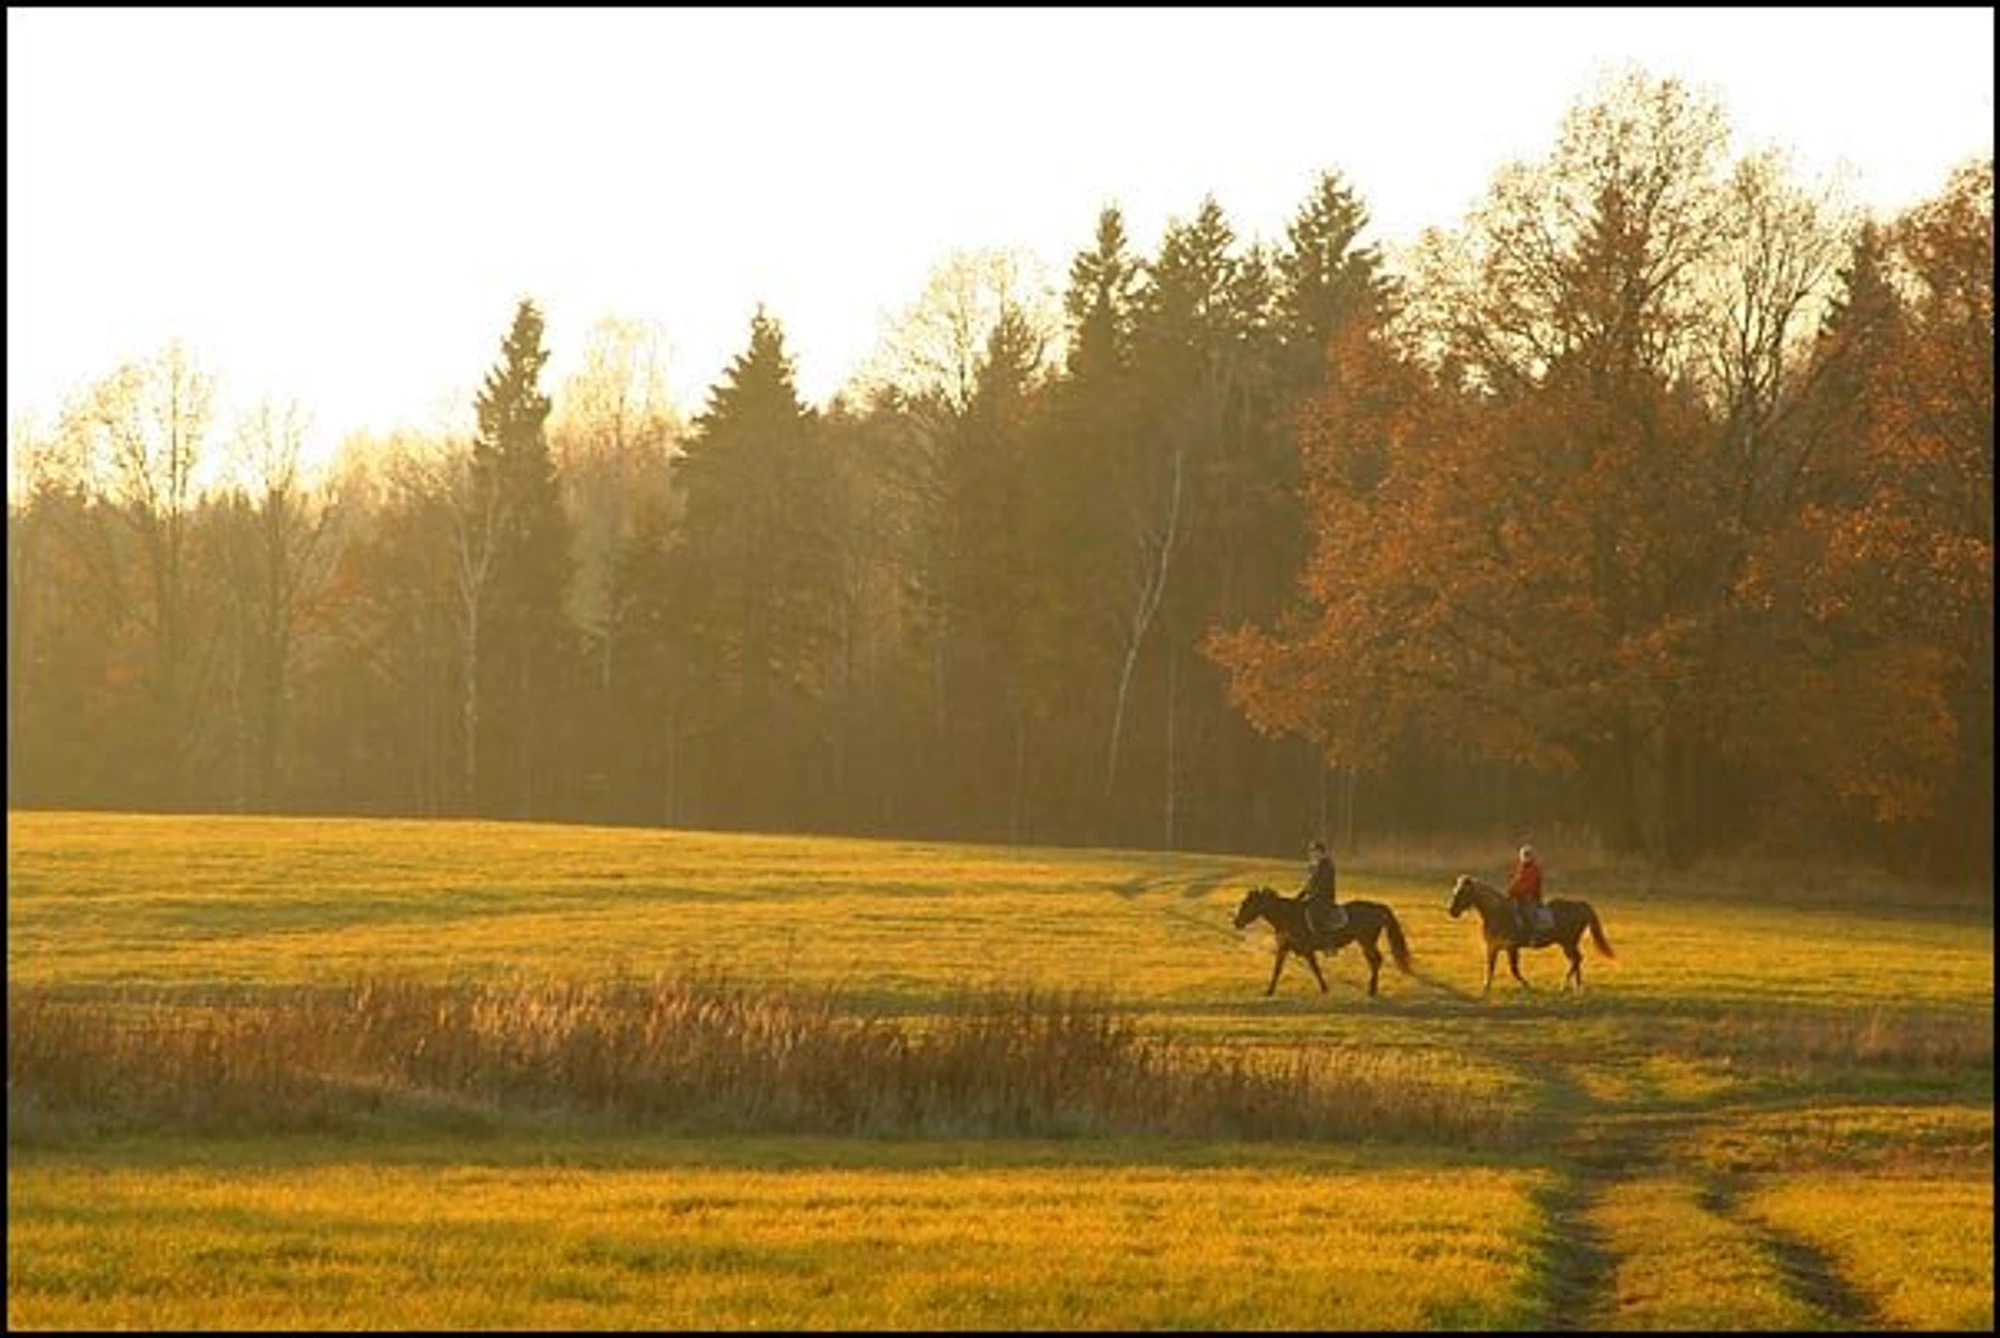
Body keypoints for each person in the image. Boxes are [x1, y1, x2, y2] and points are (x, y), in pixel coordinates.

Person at [1294, 838, 1345, 940]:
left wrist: (1312, 896)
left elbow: (1323, 885)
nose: (1313, 854)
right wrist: (1300, 895)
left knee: (1312, 913)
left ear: (1322, 852)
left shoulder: (1327, 865)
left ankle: (1325, 940)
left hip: (1324, 897)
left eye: (1315, 852)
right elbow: (1309, 884)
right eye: (1312, 852)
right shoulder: (1313, 866)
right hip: (1314, 897)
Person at [1507, 844, 1547, 943]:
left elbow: (1529, 885)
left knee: (1530, 913)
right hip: (1519, 897)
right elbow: (1517, 881)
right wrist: (1511, 890)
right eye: (1524, 855)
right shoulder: (1521, 867)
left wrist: (1517, 891)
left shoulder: (1534, 869)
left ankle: (1535, 935)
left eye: (1528, 855)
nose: (1526, 857)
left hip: (1530, 897)